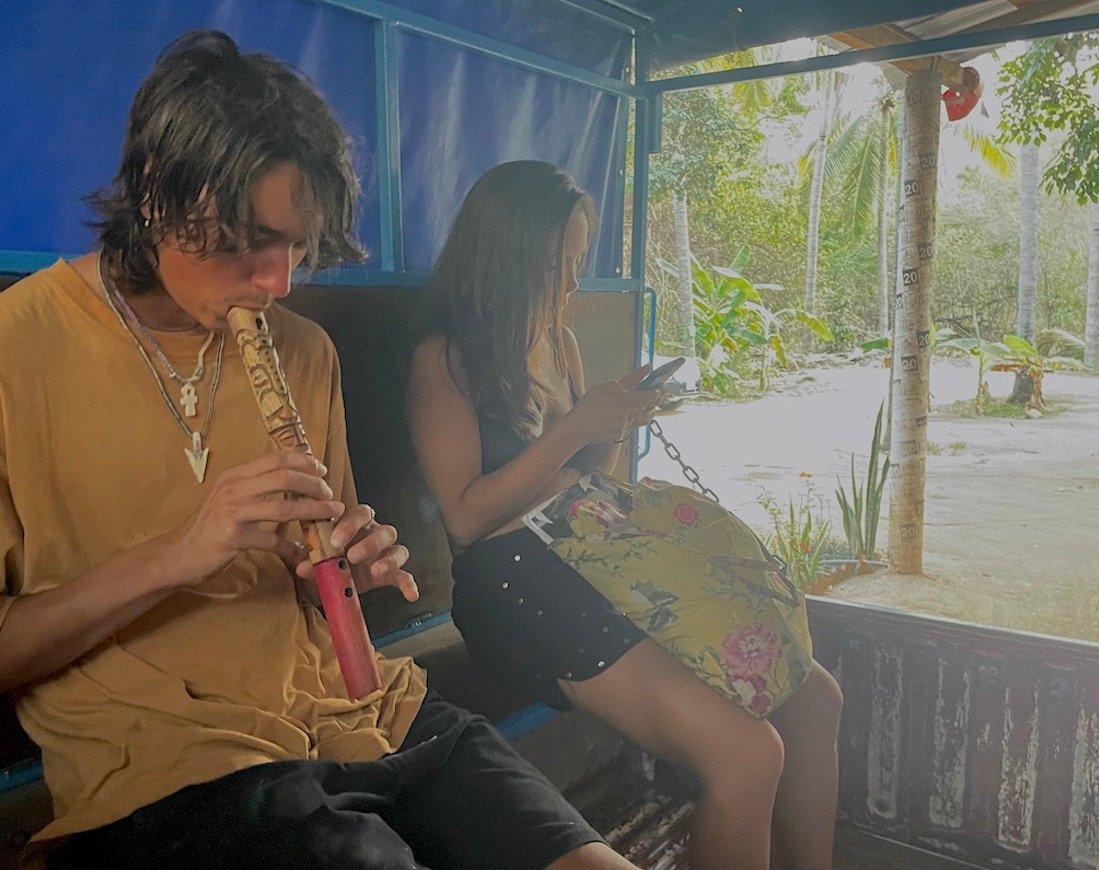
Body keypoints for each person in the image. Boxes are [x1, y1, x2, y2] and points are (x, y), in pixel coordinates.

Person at [0, 32, 637, 870]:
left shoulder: (303, 351)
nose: (280, 283)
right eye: (250, 242)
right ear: (157, 193)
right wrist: (182, 552)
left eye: (296, 247)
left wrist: (343, 564)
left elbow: (309, 578)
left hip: (369, 709)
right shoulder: (21, 346)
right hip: (178, 761)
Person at [406, 160, 845, 870]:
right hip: (516, 588)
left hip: (594, 554)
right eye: (556, 263)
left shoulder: (561, 343)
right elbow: (462, 518)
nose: (571, 284)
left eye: (579, 262)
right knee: (748, 756)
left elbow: (590, 483)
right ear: (504, 255)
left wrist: (614, 423)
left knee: (814, 697)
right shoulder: (447, 360)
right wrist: (577, 426)